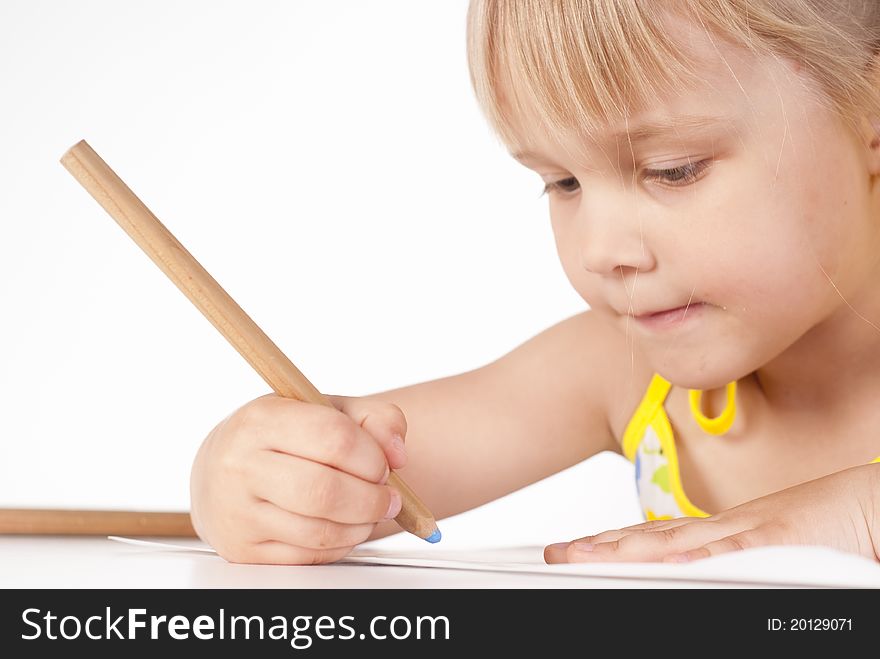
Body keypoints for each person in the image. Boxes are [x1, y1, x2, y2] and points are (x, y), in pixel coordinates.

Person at [190, 0, 880, 565]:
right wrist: (249, 478)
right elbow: (364, 469)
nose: (601, 249)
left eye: (674, 168)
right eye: (563, 181)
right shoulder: (627, 370)